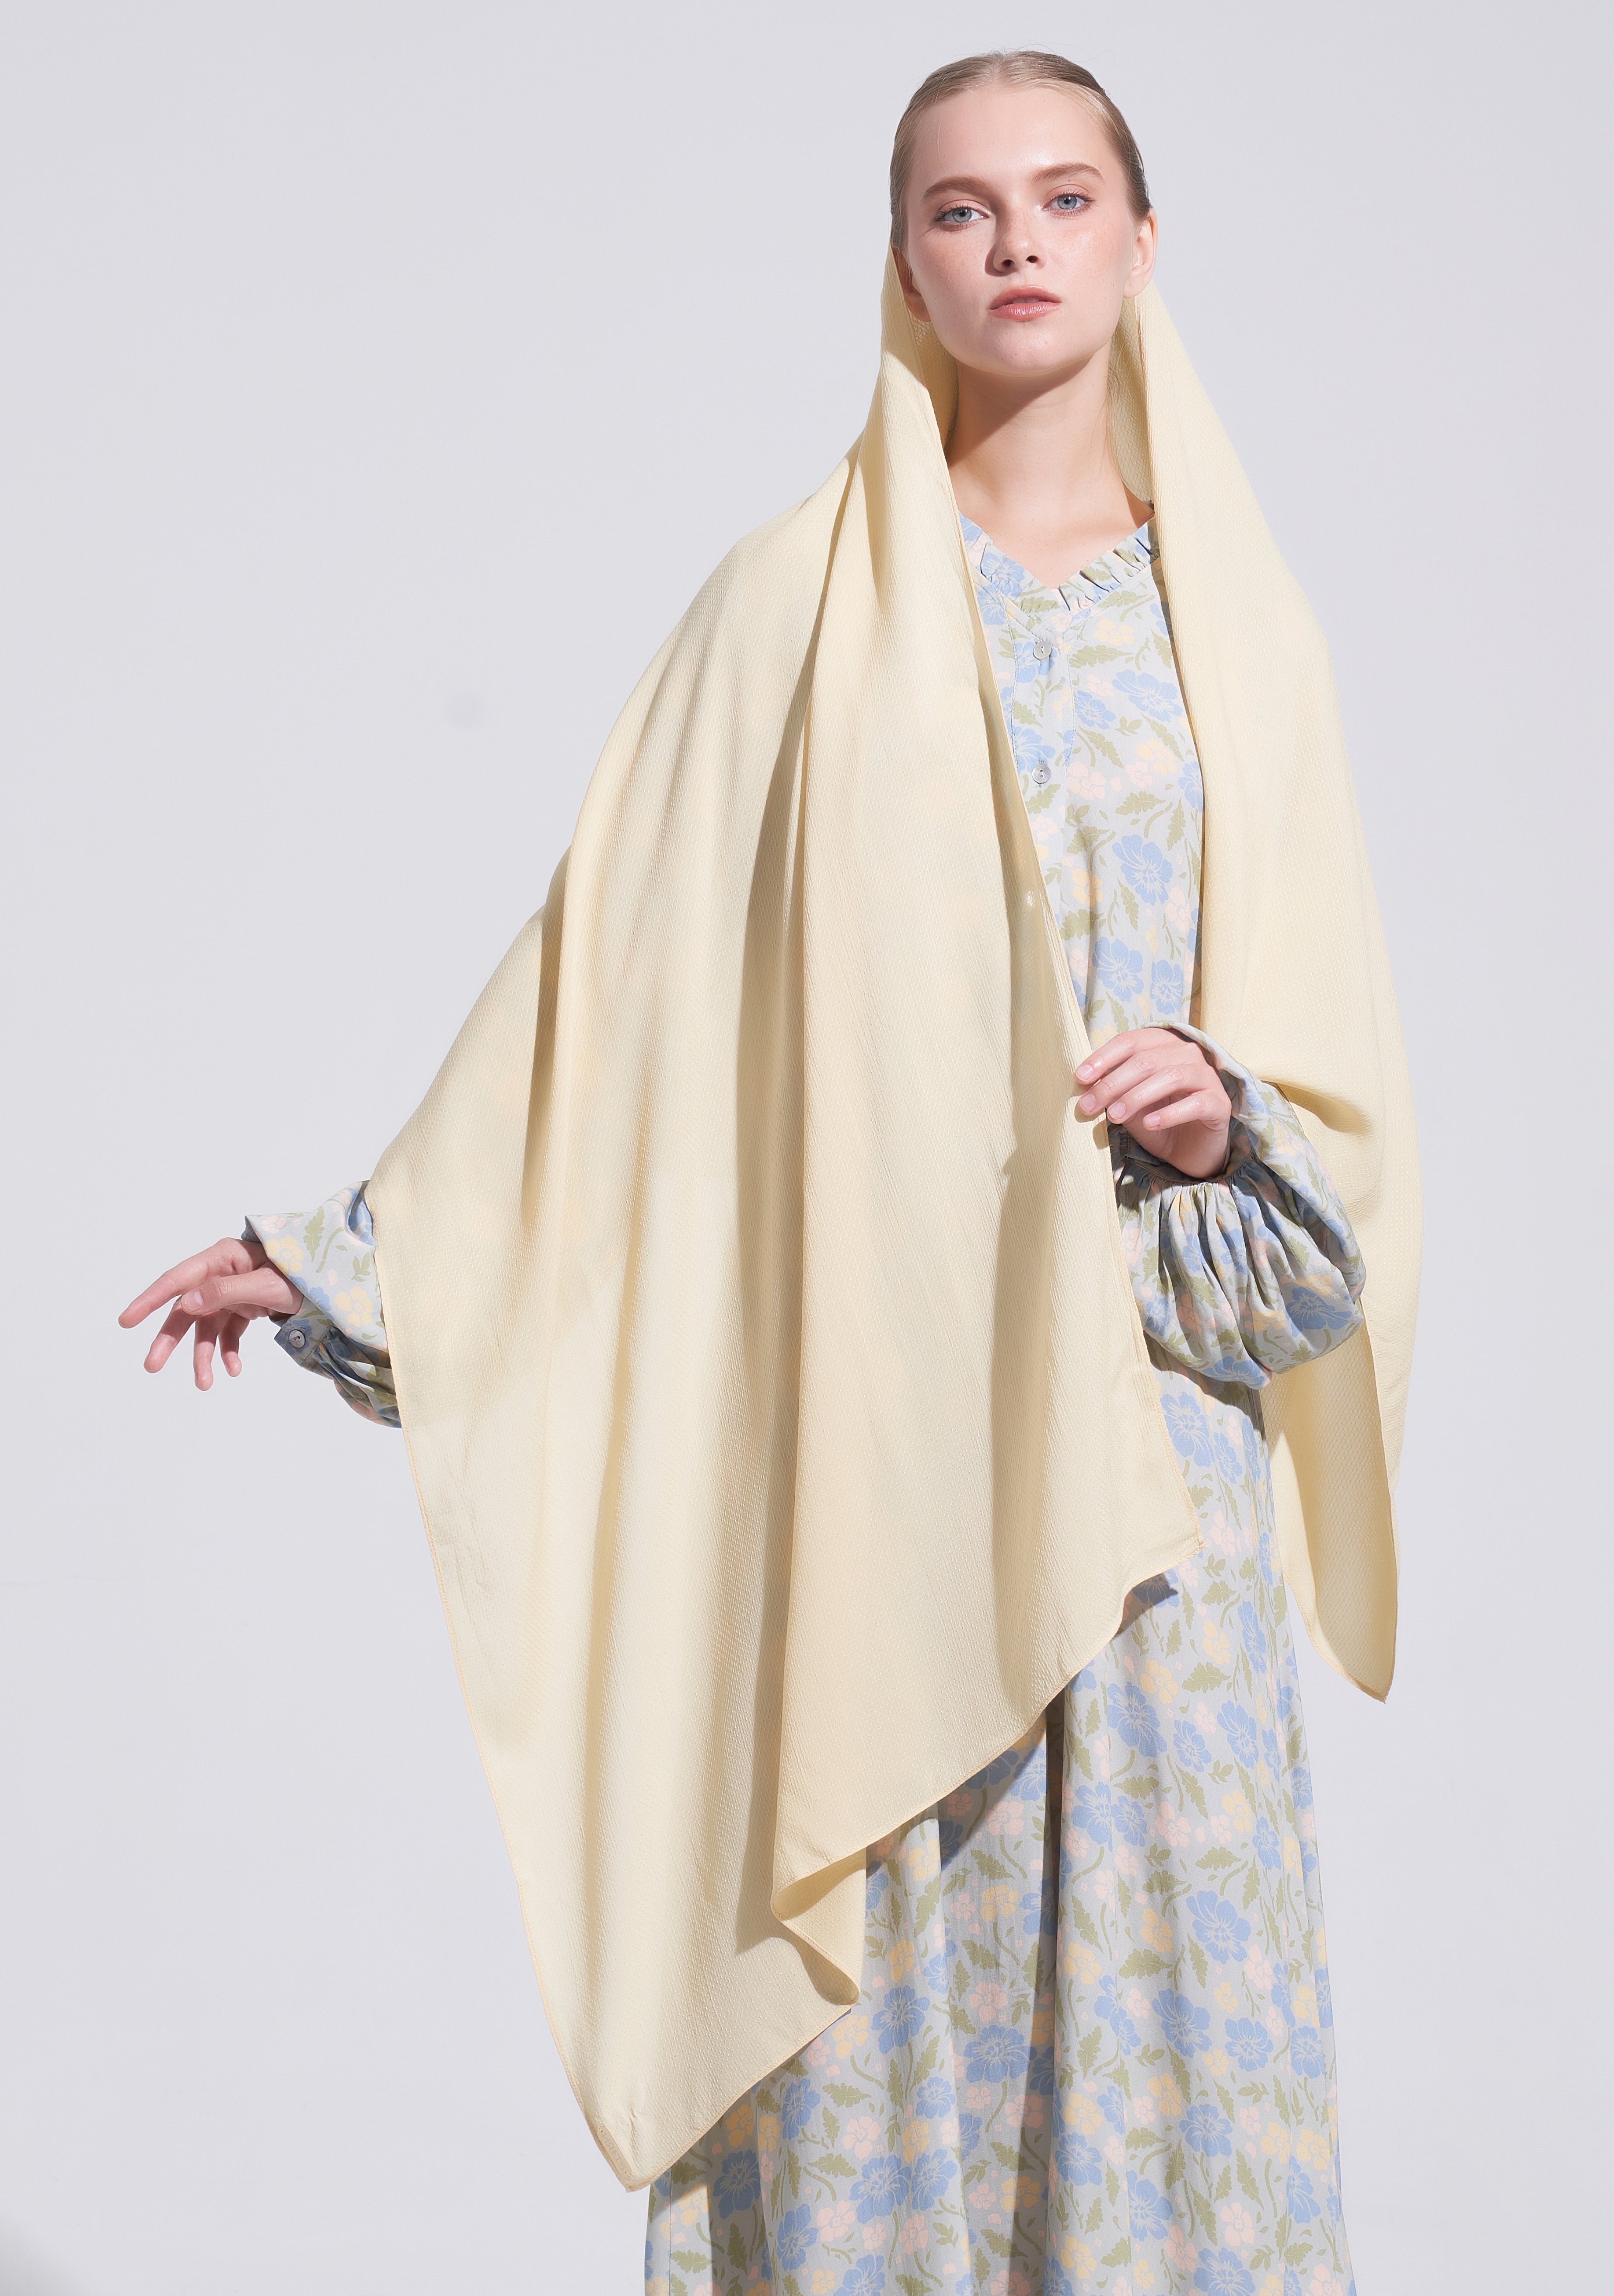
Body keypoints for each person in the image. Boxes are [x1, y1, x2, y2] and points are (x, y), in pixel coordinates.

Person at [121, 50, 1418, 2296]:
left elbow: (1333, 1101)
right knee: (877, 2057)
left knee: (1166, 2060)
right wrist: (344, 1258)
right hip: (872, 1459)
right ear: (903, 259)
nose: (1015, 244)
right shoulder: (792, 606)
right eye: (961, 208)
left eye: (1065, 197)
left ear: (1139, 240)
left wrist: (1225, 1109)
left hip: (1151, 1488)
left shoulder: (1240, 629)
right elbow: (601, 993)